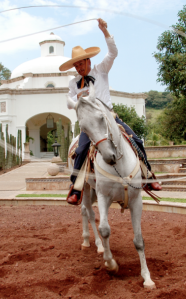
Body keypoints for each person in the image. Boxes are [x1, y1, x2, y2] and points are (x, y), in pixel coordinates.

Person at [59, 18, 162, 206]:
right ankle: (76, 188)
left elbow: (113, 52)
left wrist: (105, 31)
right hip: (89, 124)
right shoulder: (73, 83)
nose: (79, 68)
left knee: (136, 140)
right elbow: (69, 103)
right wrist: (80, 100)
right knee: (81, 150)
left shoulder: (101, 70)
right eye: (76, 66)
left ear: (88, 61)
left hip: (110, 118)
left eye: (81, 64)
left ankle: (148, 176)